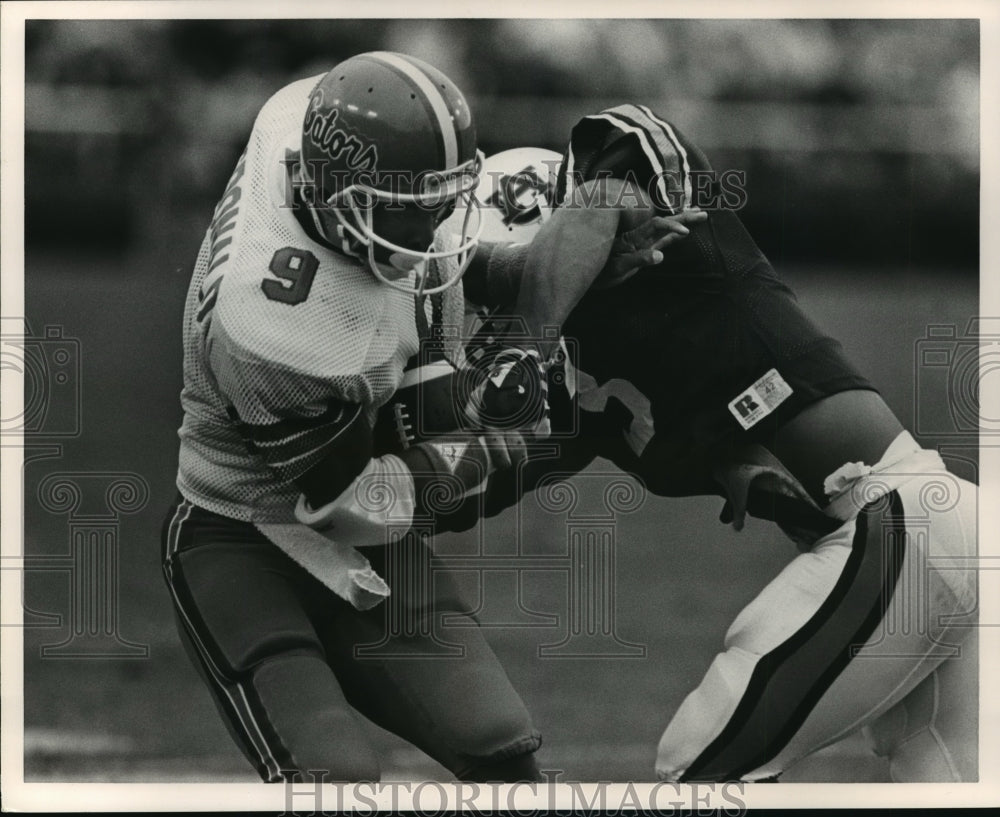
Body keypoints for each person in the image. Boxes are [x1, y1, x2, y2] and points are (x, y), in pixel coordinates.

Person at [162, 54, 685, 784]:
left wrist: (542, 273)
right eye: (417, 203)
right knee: (332, 778)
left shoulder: (312, 137)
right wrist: (489, 444)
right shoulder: (282, 328)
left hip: (350, 444)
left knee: (502, 748)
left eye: (445, 194)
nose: (439, 217)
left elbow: (434, 253)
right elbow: (350, 504)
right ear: (344, 199)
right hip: (246, 525)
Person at [432, 107, 978, 783]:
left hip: (904, 523)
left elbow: (605, 194)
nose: (487, 320)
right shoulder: (595, 396)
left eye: (502, 287)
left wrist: (525, 335)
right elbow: (454, 495)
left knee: (698, 765)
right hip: (935, 538)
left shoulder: (665, 232)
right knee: (944, 777)